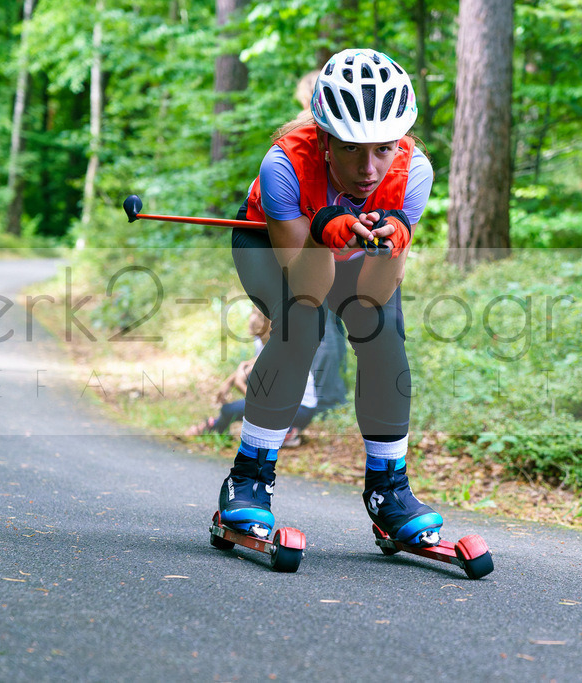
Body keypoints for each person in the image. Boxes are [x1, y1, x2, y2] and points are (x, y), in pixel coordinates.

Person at [218, 48, 443, 547]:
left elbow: (375, 296)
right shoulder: (283, 165)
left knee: (382, 331)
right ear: (322, 139)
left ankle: (389, 490)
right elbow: (307, 288)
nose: (368, 169)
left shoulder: (415, 174)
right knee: (303, 325)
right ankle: (248, 478)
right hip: (269, 242)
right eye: (349, 149)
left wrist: (396, 238)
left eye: (383, 149)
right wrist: (323, 231)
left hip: (351, 251)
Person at [186, 306, 321, 444]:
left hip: (300, 410)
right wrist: (229, 381)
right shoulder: (262, 342)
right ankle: (217, 426)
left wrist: (242, 388)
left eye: (261, 317)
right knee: (242, 392)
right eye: (253, 313)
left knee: (229, 410)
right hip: (284, 404)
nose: (252, 320)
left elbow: (258, 386)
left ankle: (283, 431)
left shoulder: (282, 349)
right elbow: (251, 364)